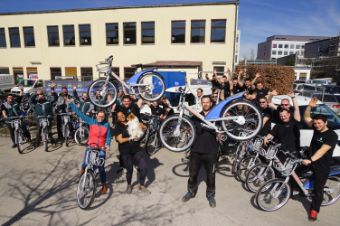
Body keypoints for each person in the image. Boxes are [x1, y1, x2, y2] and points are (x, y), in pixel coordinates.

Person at [301, 97, 338, 221]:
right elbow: (306, 118)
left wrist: (311, 160)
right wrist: (309, 107)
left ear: (325, 123)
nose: (316, 125)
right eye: (315, 123)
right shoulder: (316, 127)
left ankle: (314, 210)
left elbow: (322, 151)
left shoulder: (332, 135)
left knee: (318, 190)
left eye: (319, 123)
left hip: (322, 164)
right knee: (295, 172)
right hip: (310, 159)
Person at [182, 95, 219, 208]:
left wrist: (220, 134)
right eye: (203, 102)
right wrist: (185, 128)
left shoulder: (216, 117)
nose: (205, 104)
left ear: (211, 103)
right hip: (196, 150)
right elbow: (186, 126)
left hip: (211, 151)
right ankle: (191, 191)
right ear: (201, 103)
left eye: (207, 102)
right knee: (192, 174)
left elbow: (223, 131)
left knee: (211, 175)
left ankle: (211, 195)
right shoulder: (196, 116)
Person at [69, 100, 111, 194]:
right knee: (85, 163)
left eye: (102, 116)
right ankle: (83, 170)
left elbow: (108, 137)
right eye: (99, 116)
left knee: (101, 168)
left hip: (101, 149)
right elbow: (80, 114)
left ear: (104, 117)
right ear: (96, 116)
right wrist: (71, 104)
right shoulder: (91, 121)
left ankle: (104, 185)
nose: (100, 117)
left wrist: (107, 145)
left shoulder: (106, 125)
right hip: (90, 147)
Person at [114, 111, 149, 194]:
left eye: (122, 114)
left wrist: (144, 127)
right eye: (119, 116)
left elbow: (143, 128)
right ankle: (129, 185)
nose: (121, 116)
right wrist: (131, 138)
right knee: (129, 169)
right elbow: (120, 140)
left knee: (144, 167)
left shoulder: (132, 121)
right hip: (125, 151)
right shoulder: (118, 126)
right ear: (117, 118)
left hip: (136, 149)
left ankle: (141, 185)